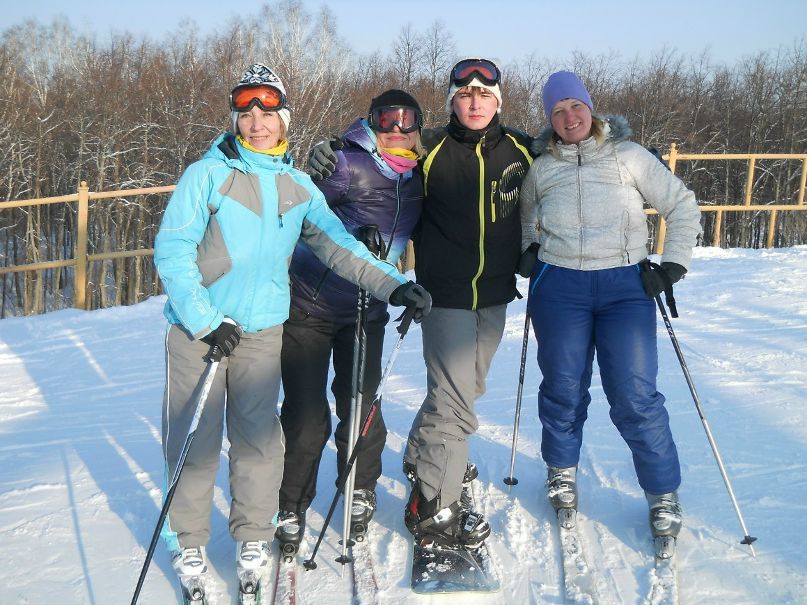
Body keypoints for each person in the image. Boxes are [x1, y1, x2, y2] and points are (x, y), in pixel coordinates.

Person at [153, 64, 431, 593]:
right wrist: (204, 319)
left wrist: (394, 285)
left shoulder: (297, 185)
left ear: (284, 119)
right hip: (199, 332)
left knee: (259, 441)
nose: (257, 122)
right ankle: (189, 544)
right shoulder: (206, 176)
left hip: (261, 333)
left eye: (268, 112)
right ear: (236, 119)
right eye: (246, 112)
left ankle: (253, 535)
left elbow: (338, 245)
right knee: (195, 442)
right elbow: (173, 251)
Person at [518, 70, 702, 554]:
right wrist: (529, 250)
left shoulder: (628, 156)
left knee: (635, 396)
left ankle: (662, 493)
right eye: (557, 111)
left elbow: (681, 205)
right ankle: (561, 472)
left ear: (591, 109)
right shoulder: (541, 167)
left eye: (575, 106)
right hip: (559, 286)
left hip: (624, 286)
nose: (569, 117)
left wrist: (673, 264)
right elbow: (526, 218)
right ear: (549, 119)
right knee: (561, 387)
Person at [274, 89, 425, 551]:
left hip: (367, 310)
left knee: (361, 404)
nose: (395, 129)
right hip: (309, 307)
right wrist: (315, 157)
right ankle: (292, 504)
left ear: (419, 127)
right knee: (305, 414)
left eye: (406, 121)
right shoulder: (345, 162)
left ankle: (359, 487)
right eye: (385, 120)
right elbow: (297, 202)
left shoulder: (422, 174)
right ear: (371, 122)